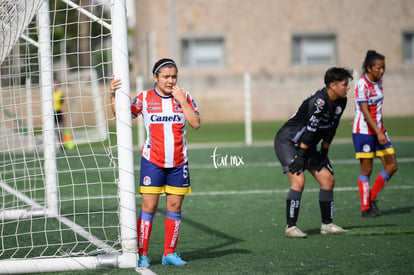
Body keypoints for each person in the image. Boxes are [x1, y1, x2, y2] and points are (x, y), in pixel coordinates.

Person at [110, 58, 200, 267]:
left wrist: (183, 101)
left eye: (174, 76)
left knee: (175, 207)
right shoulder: (144, 98)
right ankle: (142, 254)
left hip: (179, 162)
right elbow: (121, 117)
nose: (170, 81)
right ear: (155, 78)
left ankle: (169, 253)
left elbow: (195, 123)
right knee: (149, 207)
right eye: (166, 77)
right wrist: (112, 94)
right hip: (153, 161)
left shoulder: (184, 96)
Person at [274, 67, 352, 238]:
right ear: (332, 85)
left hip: (306, 145)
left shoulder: (341, 101)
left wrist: (324, 152)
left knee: (327, 179)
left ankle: (327, 225)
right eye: (345, 84)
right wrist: (301, 157)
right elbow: (310, 130)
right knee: (299, 180)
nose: (348, 88)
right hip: (288, 141)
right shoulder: (319, 102)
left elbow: (331, 128)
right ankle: (291, 227)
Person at [352, 50, 398, 218]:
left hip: (379, 130)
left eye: (383, 68)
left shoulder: (379, 81)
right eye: (378, 68)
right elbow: (364, 110)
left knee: (392, 166)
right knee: (367, 170)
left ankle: (370, 198)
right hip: (364, 133)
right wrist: (378, 132)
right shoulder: (362, 84)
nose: (382, 71)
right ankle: (366, 208)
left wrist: (379, 130)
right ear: (369, 68)